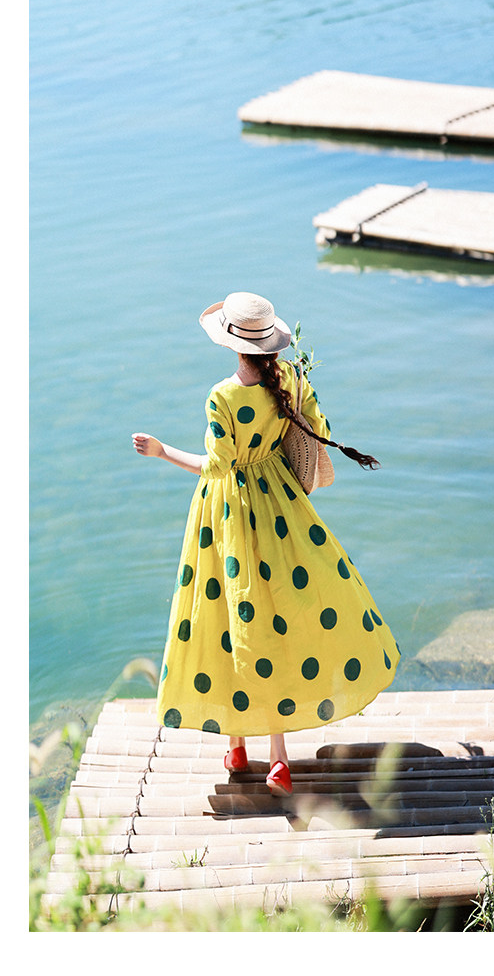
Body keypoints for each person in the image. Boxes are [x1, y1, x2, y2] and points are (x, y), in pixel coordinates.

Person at [132, 291, 400, 797]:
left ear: (232, 344)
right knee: (278, 621)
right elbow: (316, 427)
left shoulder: (222, 396)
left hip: (227, 517)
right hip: (280, 508)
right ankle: (278, 761)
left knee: (228, 619)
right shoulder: (292, 379)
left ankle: (237, 748)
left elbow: (216, 466)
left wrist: (161, 451)